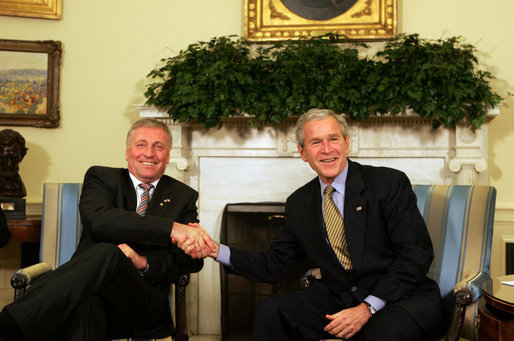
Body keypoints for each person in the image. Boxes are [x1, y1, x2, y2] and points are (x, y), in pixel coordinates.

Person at [179, 109, 443, 340]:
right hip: (341, 297)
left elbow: (415, 255)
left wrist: (367, 308)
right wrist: (216, 250)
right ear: (303, 153)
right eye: (316, 142)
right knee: (272, 312)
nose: (327, 149)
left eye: (333, 139)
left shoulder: (388, 184)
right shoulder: (299, 203)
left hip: (400, 297)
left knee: (384, 331)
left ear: (347, 144)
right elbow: (274, 265)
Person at [0, 118, 215, 340]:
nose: (149, 153)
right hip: (88, 294)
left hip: (140, 304)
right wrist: (171, 228)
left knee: (108, 254)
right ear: (127, 151)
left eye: (158, 146)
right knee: (85, 305)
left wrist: (142, 262)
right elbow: (99, 221)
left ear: (168, 156)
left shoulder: (183, 196)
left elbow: (190, 262)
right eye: (141, 144)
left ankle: (7, 325)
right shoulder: (102, 177)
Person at [0, 129, 28, 198]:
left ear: (21, 157)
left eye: (14, 158)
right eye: (4, 158)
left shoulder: (20, 188)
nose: (9, 164)